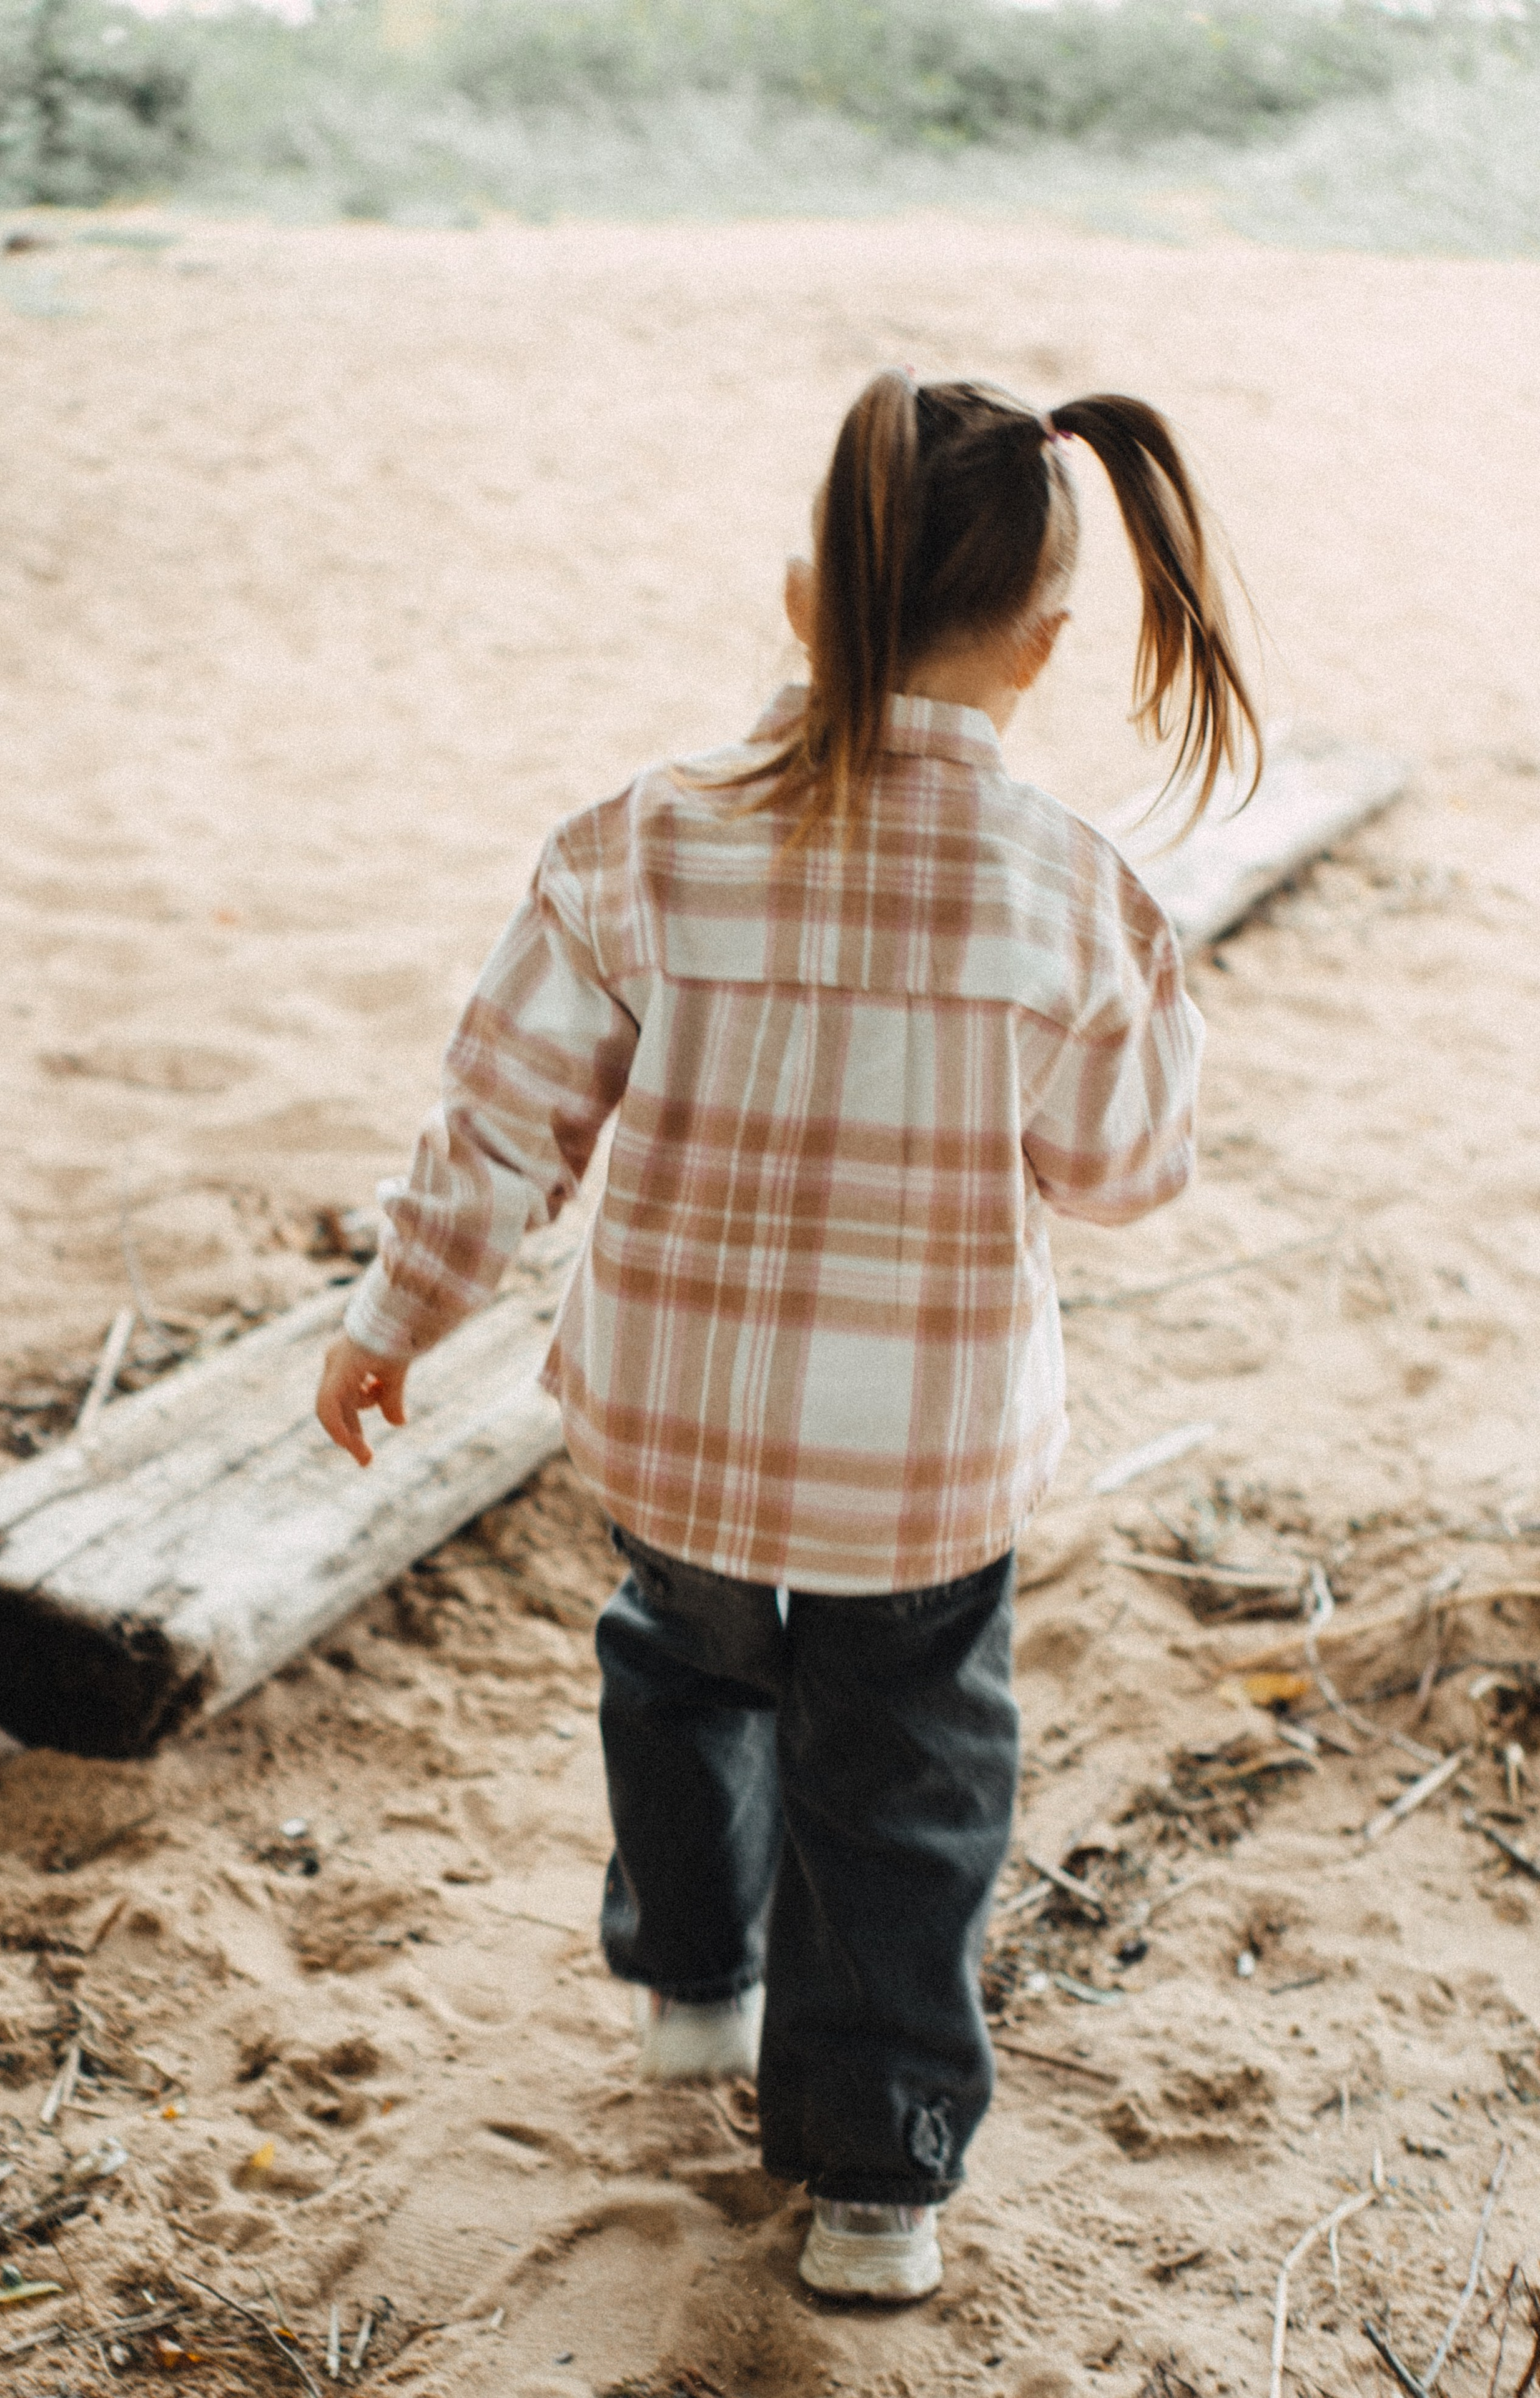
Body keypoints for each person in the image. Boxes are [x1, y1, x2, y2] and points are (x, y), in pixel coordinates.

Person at [315, 372, 1260, 2302]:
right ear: (1047, 649)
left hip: (676, 1437)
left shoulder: (643, 842)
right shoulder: (1072, 890)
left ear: (802, 599)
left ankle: (690, 1982)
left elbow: (501, 1118)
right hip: (921, 1471)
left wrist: (394, 1311)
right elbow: (1122, 1172)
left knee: (681, 1672)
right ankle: (877, 2177)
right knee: (904, 1785)